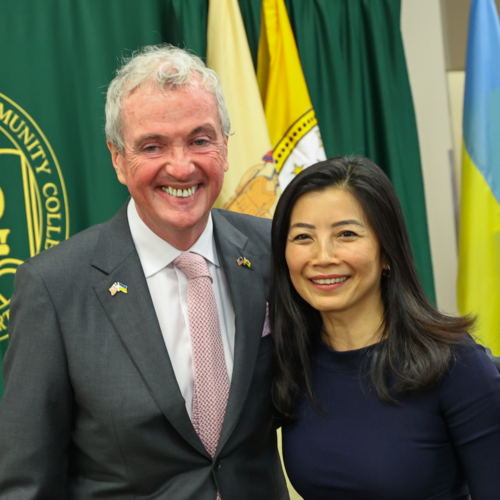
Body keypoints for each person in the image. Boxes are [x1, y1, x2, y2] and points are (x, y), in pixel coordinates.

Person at [0, 45, 288, 500]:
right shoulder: (53, 288)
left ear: (226, 147)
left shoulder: (277, 251)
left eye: (200, 140)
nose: (181, 166)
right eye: (152, 146)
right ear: (117, 159)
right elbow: (24, 483)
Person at [270, 156, 500, 500]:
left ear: (387, 251)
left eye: (346, 234)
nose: (322, 256)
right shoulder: (288, 361)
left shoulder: (456, 363)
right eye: (303, 237)